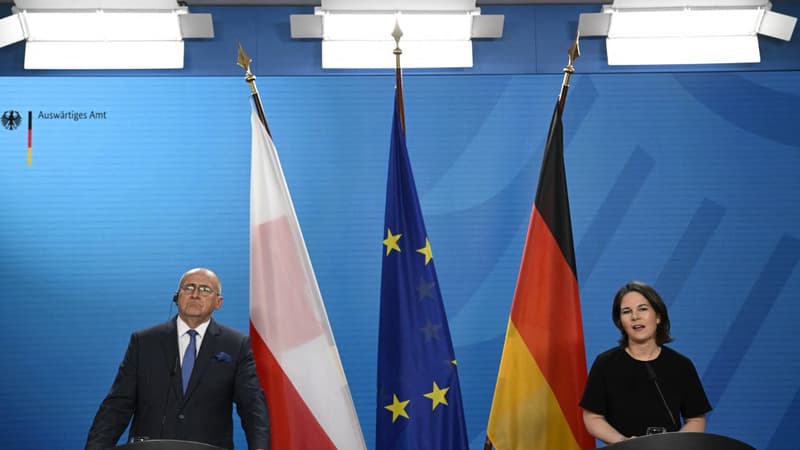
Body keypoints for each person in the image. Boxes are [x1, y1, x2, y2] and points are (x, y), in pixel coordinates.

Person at [85, 268, 270, 450]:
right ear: (177, 297)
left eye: (205, 289)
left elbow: (252, 406)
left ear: (218, 302)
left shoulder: (235, 345)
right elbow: (117, 406)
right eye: (189, 287)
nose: (195, 294)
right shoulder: (144, 342)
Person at [580, 281, 711, 445]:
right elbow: (592, 417)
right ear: (620, 322)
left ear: (658, 316)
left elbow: (696, 419)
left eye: (642, 309)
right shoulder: (605, 364)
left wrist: (674, 445)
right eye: (626, 311)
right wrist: (625, 443)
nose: (635, 317)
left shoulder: (681, 365)